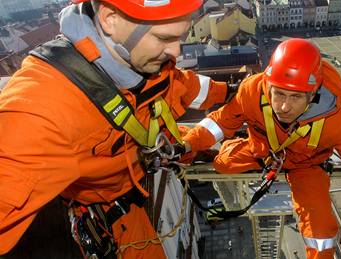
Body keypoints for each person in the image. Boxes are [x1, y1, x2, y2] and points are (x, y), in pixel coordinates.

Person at [0, 0, 234, 257]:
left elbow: (184, 86)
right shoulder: (41, 110)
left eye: (180, 37)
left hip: (128, 206)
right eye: (164, 38)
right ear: (110, 18)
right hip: (106, 214)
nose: (175, 52)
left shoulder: (141, 62)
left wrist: (230, 93)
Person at [182, 38, 341, 259]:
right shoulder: (251, 91)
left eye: (296, 97)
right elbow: (220, 122)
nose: (284, 107)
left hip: (306, 167)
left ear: (313, 96)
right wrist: (188, 144)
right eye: (279, 93)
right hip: (263, 153)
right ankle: (195, 142)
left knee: (320, 232)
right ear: (268, 84)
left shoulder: (335, 120)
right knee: (222, 164)